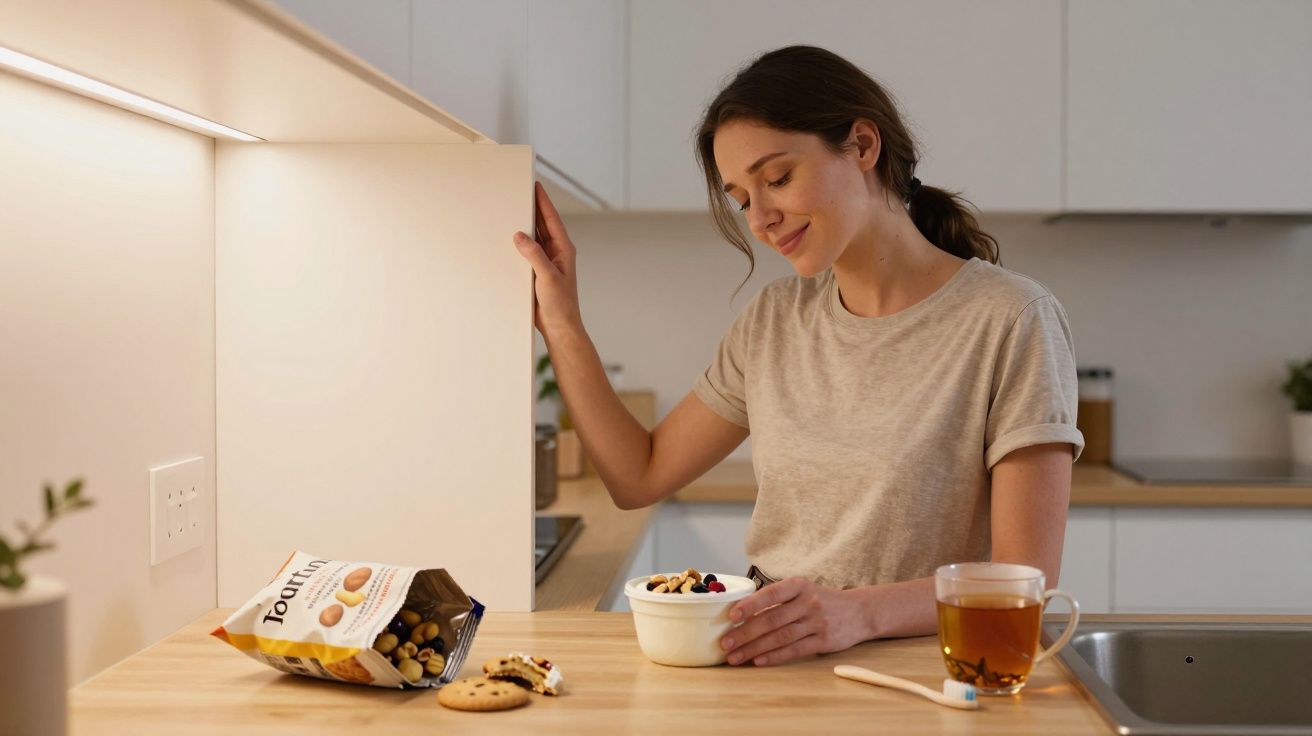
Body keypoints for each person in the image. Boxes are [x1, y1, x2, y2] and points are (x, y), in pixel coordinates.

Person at [511, 45, 1083, 667]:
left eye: (778, 179)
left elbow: (1024, 580)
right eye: (742, 198)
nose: (761, 218)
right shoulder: (775, 319)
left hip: (927, 675)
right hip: (771, 664)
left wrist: (856, 613)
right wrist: (563, 321)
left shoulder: (1012, 318)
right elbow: (637, 476)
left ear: (863, 146)